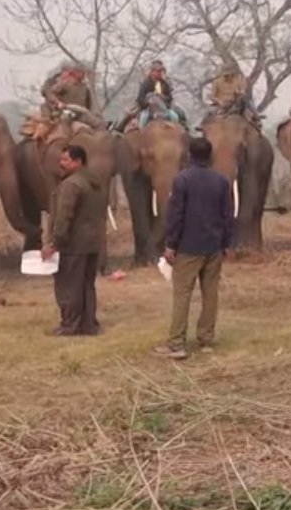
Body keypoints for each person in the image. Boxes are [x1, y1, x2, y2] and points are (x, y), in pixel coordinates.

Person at [153, 137, 233, 359]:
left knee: (182, 295)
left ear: (189, 155)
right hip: (214, 246)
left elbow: (175, 215)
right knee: (210, 294)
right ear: (210, 156)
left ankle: (176, 343)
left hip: (188, 247)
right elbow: (227, 216)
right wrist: (226, 243)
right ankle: (206, 339)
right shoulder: (221, 180)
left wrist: (170, 244)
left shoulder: (182, 180)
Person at [42, 144, 108, 336]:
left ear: (78, 161)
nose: (61, 164)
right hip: (92, 242)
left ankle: (70, 324)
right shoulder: (95, 182)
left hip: (73, 244)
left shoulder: (71, 185)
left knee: (69, 285)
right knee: (86, 284)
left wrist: (54, 243)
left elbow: (64, 217)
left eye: (65, 160)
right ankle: (89, 324)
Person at [118, 60, 186, 131]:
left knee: (175, 116)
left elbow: (170, 98)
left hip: (164, 109)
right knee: (143, 118)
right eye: (156, 71)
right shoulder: (146, 84)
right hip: (149, 109)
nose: (159, 73)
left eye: (160, 71)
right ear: (152, 71)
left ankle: (182, 132)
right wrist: (148, 103)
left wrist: (163, 97)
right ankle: (139, 133)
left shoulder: (165, 84)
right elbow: (140, 98)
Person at [207, 62, 261, 127]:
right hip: (220, 103)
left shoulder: (237, 79)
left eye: (232, 74)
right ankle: (202, 126)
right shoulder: (216, 82)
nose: (230, 76)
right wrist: (219, 102)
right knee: (209, 112)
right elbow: (212, 96)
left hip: (234, 102)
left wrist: (241, 92)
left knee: (249, 104)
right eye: (228, 74)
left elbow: (243, 88)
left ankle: (257, 119)